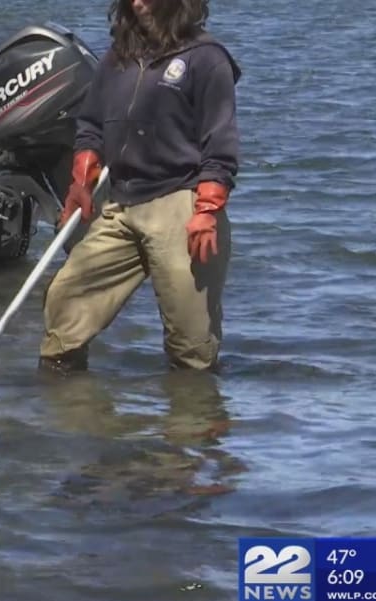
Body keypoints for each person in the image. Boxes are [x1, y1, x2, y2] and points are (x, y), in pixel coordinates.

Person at [40, 0, 240, 373]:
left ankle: (192, 420)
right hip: (120, 200)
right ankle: (66, 414)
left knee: (192, 344)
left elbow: (221, 146)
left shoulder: (207, 59)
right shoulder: (118, 58)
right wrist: (80, 179)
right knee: (65, 300)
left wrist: (208, 209)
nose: (137, 3)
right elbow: (91, 125)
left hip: (181, 201)